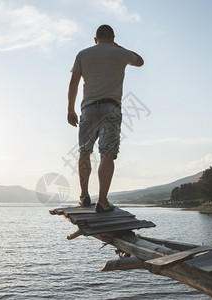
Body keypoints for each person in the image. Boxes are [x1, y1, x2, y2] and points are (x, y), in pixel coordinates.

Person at [67, 24, 144, 213]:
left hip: (88, 108)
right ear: (112, 37)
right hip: (111, 107)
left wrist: (70, 109)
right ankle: (102, 201)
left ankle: (84, 196)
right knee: (107, 154)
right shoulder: (120, 53)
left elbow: (74, 84)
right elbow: (140, 61)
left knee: (85, 152)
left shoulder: (83, 54)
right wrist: (117, 47)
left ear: (95, 39)